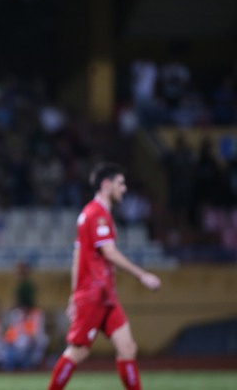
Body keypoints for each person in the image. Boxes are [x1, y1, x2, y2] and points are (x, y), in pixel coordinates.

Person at [46, 162, 161, 390]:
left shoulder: (92, 213)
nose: (124, 188)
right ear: (106, 185)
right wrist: (142, 275)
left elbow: (78, 257)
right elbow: (108, 252)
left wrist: (73, 294)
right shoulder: (97, 214)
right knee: (78, 351)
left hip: (104, 293)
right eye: (120, 183)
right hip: (94, 294)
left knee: (127, 348)